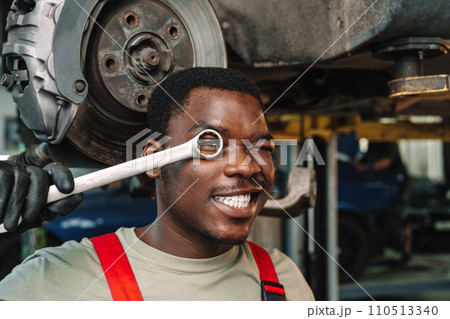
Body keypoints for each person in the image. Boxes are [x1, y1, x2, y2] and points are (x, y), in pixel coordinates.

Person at [0, 67, 314, 301]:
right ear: (154, 159)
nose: (247, 165)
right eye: (210, 144)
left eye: (261, 147)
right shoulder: (52, 282)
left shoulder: (285, 281)